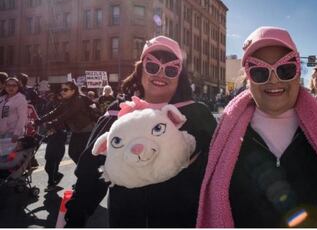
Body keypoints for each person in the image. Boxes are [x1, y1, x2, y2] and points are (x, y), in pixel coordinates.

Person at [197, 26, 317, 227]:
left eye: (285, 69)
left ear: (297, 71)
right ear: (248, 78)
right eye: (260, 72)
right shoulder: (224, 139)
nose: (274, 79)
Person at [64, 36, 217, 227]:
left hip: (181, 218)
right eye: (152, 66)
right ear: (140, 70)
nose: (160, 75)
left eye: (171, 69)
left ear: (180, 75)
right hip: (126, 217)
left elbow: (221, 167)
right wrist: (76, 214)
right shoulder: (118, 111)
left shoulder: (196, 114)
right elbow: (92, 170)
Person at [36, 81, 95, 165]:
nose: (62, 92)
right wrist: (39, 120)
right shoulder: (66, 101)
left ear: (73, 91)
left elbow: (66, 115)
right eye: (61, 90)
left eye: (65, 89)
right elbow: (55, 112)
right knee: (73, 153)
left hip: (86, 132)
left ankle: (88, 172)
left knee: (81, 154)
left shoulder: (78, 100)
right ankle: (85, 171)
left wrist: (51, 123)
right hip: (77, 131)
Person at [43, 92, 67, 192]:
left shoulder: (65, 106)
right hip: (52, 134)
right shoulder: (50, 105)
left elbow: (64, 119)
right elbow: (46, 116)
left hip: (59, 134)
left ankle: (51, 183)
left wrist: (56, 127)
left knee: (52, 161)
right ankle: (55, 177)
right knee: (50, 162)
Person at [0, 77, 28, 159]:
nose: (11, 88)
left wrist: (16, 133)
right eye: (8, 85)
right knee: (3, 155)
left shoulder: (21, 99)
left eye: (14, 85)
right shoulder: (2, 98)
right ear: (5, 86)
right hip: (2, 132)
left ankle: (12, 169)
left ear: (18, 87)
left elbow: (22, 117)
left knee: (8, 156)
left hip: (12, 133)